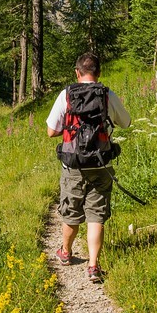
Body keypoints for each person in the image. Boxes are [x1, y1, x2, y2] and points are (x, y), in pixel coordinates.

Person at [46, 51, 131, 284]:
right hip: (101, 163)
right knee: (96, 215)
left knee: (71, 211)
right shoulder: (107, 95)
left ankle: (66, 252)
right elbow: (126, 122)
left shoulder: (66, 94)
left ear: (77, 72)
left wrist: (70, 128)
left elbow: (51, 131)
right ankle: (93, 266)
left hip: (73, 164)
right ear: (99, 72)